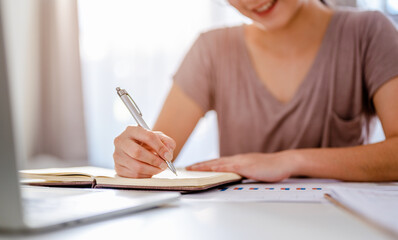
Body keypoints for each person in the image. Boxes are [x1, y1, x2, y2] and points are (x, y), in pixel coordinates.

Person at [113, 0, 398, 182]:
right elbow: (155, 156)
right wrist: (135, 157)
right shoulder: (212, 50)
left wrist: (289, 160)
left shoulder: (369, 32)